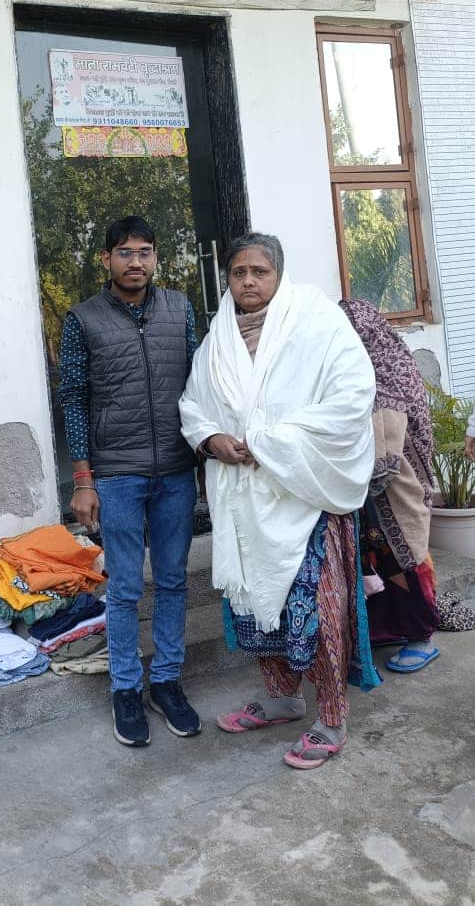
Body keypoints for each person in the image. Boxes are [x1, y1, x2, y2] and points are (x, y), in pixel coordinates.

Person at [179, 233, 380, 770]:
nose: (248, 281)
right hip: (246, 502)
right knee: (258, 611)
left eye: (259, 272)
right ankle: (281, 700)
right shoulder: (217, 337)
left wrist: (268, 441)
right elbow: (194, 404)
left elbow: (353, 396)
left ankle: (332, 720)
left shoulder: (317, 322)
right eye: (238, 271)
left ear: (279, 275)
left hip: (303, 494)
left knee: (316, 610)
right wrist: (210, 440)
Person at [59, 215, 200, 747]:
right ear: (107, 259)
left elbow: (199, 384)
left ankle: (166, 680)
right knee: (122, 587)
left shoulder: (180, 309)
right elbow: (73, 399)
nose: (135, 261)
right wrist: (83, 479)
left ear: (156, 257)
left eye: (144, 252)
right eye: (124, 253)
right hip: (116, 474)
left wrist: (206, 460)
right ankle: (125, 687)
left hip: (176, 470)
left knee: (171, 581)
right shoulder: (83, 319)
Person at [340, 300, 441, 670]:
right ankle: (391, 629)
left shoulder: (386, 373)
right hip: (370, 497)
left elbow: (385, 459)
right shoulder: (357, 372)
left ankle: (422, 635)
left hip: (397, 491)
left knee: (406, 559)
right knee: (378, 561)